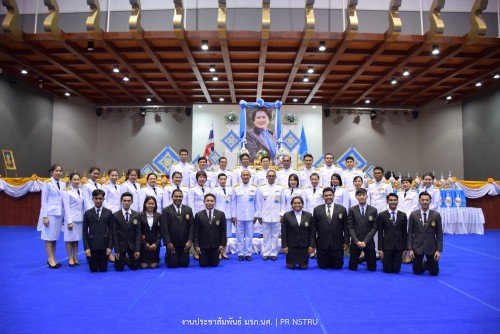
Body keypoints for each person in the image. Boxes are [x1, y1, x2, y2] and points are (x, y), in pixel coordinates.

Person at [38, 163, 70, 269]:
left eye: (60, 171)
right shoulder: (46, 183)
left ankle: (54, 258)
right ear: (51, 172)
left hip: (59, 213)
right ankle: (50, 258)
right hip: (50, 213)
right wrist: (44, 216)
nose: (58, 173)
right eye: (56, 170)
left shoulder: (63, 184)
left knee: (54, 237)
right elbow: (44, 201)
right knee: (48, 237)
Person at [311, 187, 349, 269]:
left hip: (337, 244)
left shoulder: (342, 209)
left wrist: (346, 242)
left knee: (337, 266)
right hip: (322, 244)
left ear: (334, 196)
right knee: (322, 266)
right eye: (326, 196)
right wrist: (312, 244)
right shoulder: (317, 210)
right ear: (323, 197)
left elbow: (346, 227)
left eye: (330, 195)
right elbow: (313, 229)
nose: (328, 197)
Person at [408, 192, 443, 276]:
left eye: (427, 200)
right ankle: (424, 264)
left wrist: (438, 250)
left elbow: (439, 234)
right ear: (419, 201)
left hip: (431, 247)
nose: (424, 202)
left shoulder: (436, 215)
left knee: (434, 272)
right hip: (417, 247)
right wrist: (410, 249)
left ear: (430, 201)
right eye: (422, 200)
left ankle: (428, 263)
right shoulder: (413, 215)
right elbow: (409, 233)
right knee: (417, 271)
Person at [255, 170, 284, 261]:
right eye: (269, 176)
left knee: (275, 235)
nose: (271, 177)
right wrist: (259, 215)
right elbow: (258, 203)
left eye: (273, 176)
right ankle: (266, 252)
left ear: (275, 177)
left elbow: (283, 202)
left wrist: (282, 213)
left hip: (276, 215)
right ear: (266, 177)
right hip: (265, 215)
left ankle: (273, 253)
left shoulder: (280, 188)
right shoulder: (261, 188)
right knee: (266, 235)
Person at [160, 189, 194, 268]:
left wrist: (190, 241)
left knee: (184, 263)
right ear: (172, 197)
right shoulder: (166, 210)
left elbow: (192, 226)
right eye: (176, 196)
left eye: (180, 196)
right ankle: (168, 254)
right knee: (172, 264)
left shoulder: (188, 209)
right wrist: (168, 242)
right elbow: (164, 228)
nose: (178, 198)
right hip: (172, 243)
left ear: (182, 197)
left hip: (184, 243)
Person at [82, 189, 113, 272]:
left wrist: (110, 247)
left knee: (103, 269)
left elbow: (111, 231)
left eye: (100, 198)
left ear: (103, 199)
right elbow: (84, 232)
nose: (98, 200)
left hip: (104, 246)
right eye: (96, 198)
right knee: (94, 269)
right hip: (92, 246)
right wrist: (86, 248)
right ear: (93, 199)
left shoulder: (109, 212)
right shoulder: (87, 213)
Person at [347, 188, 378, 271]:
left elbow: (374, 228)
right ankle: (360, 259)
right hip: (356, 242)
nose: (361, 197)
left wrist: (365, 242)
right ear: (356, 197)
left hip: (368, 242)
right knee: (352, 267)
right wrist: (356, 241)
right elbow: (350, 227)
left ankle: (364, 258)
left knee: (372, 268)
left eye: (363, 195)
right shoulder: (352, 210)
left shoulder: (373, 210)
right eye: (359, 195)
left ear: (367, 196)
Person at [194, 194, 227, 267]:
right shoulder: (198, 215)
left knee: (214, 264)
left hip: (216, 245)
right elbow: (196, 232)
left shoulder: (221, 214)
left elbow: (223, 231)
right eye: (207, 201)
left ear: (215, 202)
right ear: (204, 202)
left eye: (212, 201)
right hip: (203, 245)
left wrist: (222, 245)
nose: (209, 203)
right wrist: (196, 246)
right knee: (203, 264)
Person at [231, 170, 258, 261]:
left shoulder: (255, 188)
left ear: (250, 177)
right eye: (244, 175)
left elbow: (257, 203)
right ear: (241, 177)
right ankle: (241, 253)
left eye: (247, 175)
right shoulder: (236, 188)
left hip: (250, 215)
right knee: (239, 235)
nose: (245, 177)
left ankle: (248, 253)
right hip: (239, 215)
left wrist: (256, 215)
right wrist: (233, 215)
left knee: (249, 235)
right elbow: (233, 203)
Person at [377, 193, 408, 273]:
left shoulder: (403, 215)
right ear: (387, 202)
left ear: (398, 201)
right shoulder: (382, 215)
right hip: (387, 246)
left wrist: (405, 249)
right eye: (391, 200)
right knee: (387, 270)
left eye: (395, 200)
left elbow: (405, 233)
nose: (393, 202)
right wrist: (380, 249)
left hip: (399, 246)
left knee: (396, 270)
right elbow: (380, 233)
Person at [281, 196, 314, 269]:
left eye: (299, 203)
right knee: (290, 266)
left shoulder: (309, 215)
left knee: (303, 267)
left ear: (302, 204)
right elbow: (284, 232)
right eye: (294, 203)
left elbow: (312, 232)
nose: (297, 205)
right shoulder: (287, 215)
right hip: (291, 246)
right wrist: (284, 246)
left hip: (304, 246)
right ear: (291, 205)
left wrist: (311, 245)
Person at [112, 192, 141, 271]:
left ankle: (127, 260)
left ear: (132, 202)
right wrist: (116, 250)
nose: (126, 202)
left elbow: (138, 234)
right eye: (124, 201)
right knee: (119, 268)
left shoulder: (137, 215)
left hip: (132, 245)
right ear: (121, 201)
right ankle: (121, 260)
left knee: (135, 267)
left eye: (128, 201)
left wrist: (137, 250)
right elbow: (114, 234)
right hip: (121, 245)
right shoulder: (115, 215)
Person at [368, 166, 393, 255]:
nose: (377, 175)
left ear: (382, 174)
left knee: (383, 232)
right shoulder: (370, 184)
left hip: (383, 211)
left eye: (379, 173)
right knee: (373, 231)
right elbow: (368, 199)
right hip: (372, 212)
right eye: (375, 173)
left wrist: (388, 212)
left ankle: (383, 251)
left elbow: (390, 199)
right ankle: (375, 252)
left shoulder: (387, 184)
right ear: (373, 174)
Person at [62, 172, 85, 267]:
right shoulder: (67, 191)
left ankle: (76, 257)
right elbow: (66, 207)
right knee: (69, 239)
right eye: (74, 180)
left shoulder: (81, 190)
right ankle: (70, 257)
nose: (76, 181)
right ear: (70, 181)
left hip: (80, 218)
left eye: (77, 179)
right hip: (71, 218)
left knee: (76, 239)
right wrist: (69, 221)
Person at [397, 176, 418, 264]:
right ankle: (402, 253)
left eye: (407, 183)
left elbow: (415, 206)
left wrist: (406, 216)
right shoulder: (399, 193)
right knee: (401, 236)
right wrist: (400, 216)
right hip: (400, 218)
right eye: (403, 183)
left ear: (410, 184)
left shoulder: (414, 194)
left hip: (410, 218)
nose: (405, 184)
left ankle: (410, 255)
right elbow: (396, 205)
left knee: (410, 236)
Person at [212, 173, 233, 259]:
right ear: (218, 180)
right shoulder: (214, 190)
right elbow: (213, 202)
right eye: (221, 179)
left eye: (224, 179)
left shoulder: (231, 189)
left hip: (228, 215)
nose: (223, 181)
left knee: (226, 234)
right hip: (218, 215)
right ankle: (218, 252)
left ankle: (224, 252)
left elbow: (233, 202)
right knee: (218, 234)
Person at [138, 196, 161, 269]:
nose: (151, 205)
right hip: (144, 244)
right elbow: (138, 232)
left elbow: (160, 231)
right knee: (143, 266)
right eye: (149, 204)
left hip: (154, 244)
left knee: (153, 266)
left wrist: (156, 243)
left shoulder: (159, 216)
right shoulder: (139, 216)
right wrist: (144, 243)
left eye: (153, 204)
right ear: (145, 204)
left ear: (155, 205)